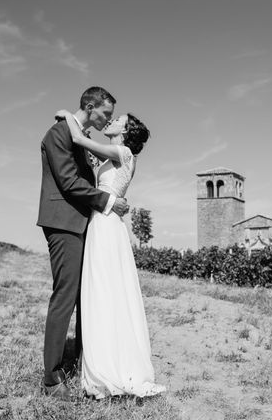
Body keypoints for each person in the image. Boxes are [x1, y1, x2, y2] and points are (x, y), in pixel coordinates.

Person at [55, 108, 166, 400]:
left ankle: (107, 366)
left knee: (103, 289)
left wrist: (69, 114)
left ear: (125, 132)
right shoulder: (114, 155)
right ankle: (102, 357)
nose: (112, 121)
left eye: (118, 121)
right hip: (103, 222)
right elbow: (97, 166)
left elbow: (78, 138)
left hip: (105, 225)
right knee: (104, 290)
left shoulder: (124, 152)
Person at [37, 86, 129, 400]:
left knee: (83, 296)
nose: (108, 119)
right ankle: (51, 379)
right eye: (105, 113)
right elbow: (68, 181)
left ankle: (79, 361)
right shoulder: (58, 133)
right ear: (90, 106)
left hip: (82, 224)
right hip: (62, 224)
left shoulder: (76, 132)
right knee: (65, 296)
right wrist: (109, 201)